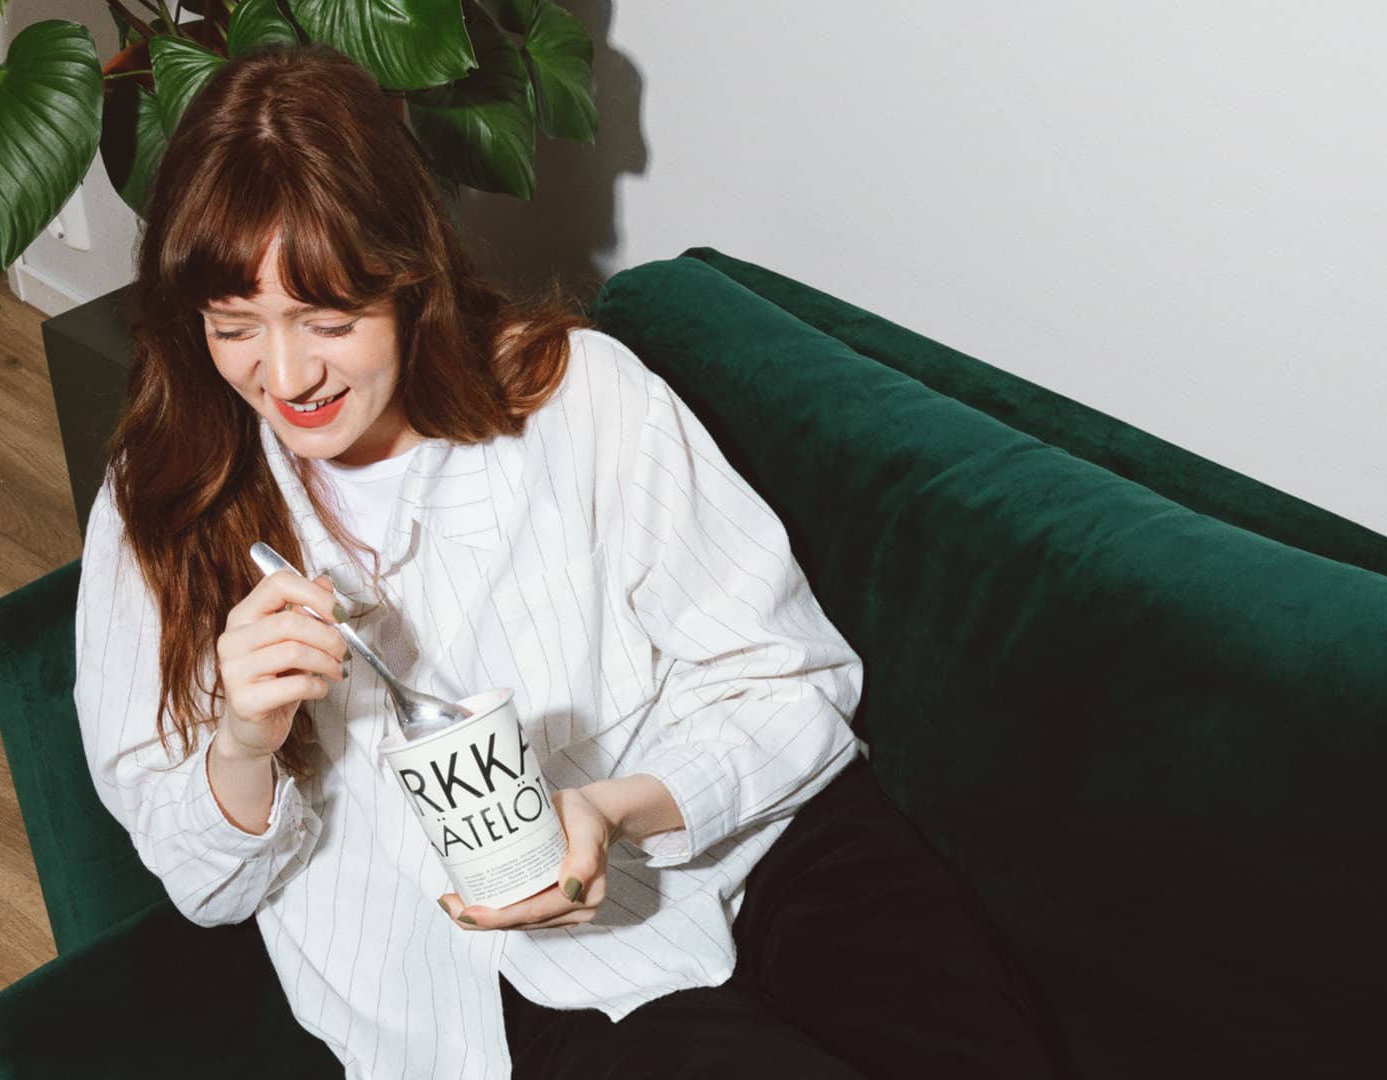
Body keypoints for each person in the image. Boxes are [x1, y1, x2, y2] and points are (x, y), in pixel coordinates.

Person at [73, 42, 1057, 1079]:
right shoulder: (166, 503)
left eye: (328, 320)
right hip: (505, 973)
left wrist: (612, 810)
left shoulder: (575, 394)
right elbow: (207, 887)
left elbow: (788, 680)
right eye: (234, 327)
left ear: (409, 280)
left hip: (755, 833)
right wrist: (243, 742)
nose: (286, 376)